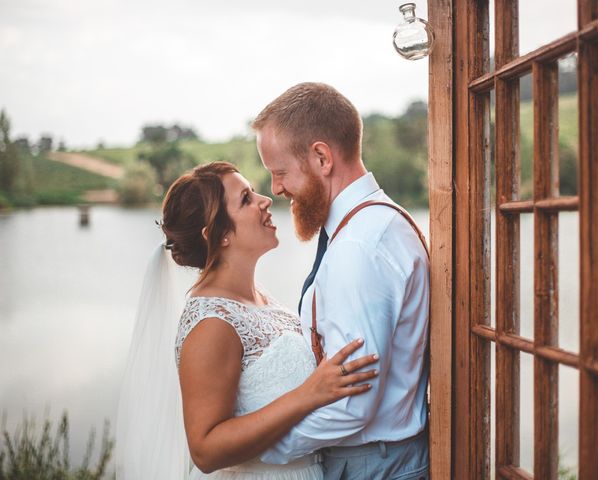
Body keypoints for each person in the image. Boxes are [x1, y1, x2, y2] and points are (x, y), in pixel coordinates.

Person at [116, 161, 379, 480]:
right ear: (217, 234)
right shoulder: (212, 322)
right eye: (245, 199)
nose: (264, 200)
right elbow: (205, 450)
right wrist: (308, 393)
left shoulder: (260, 299)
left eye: (253, 192)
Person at [253, 82, 430, 480]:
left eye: (280, 172)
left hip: (371, 466)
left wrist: (261, 449)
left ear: (321, 157)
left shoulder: (359, 248)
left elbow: (353, 405)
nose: (276, 189)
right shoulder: (373, 222)